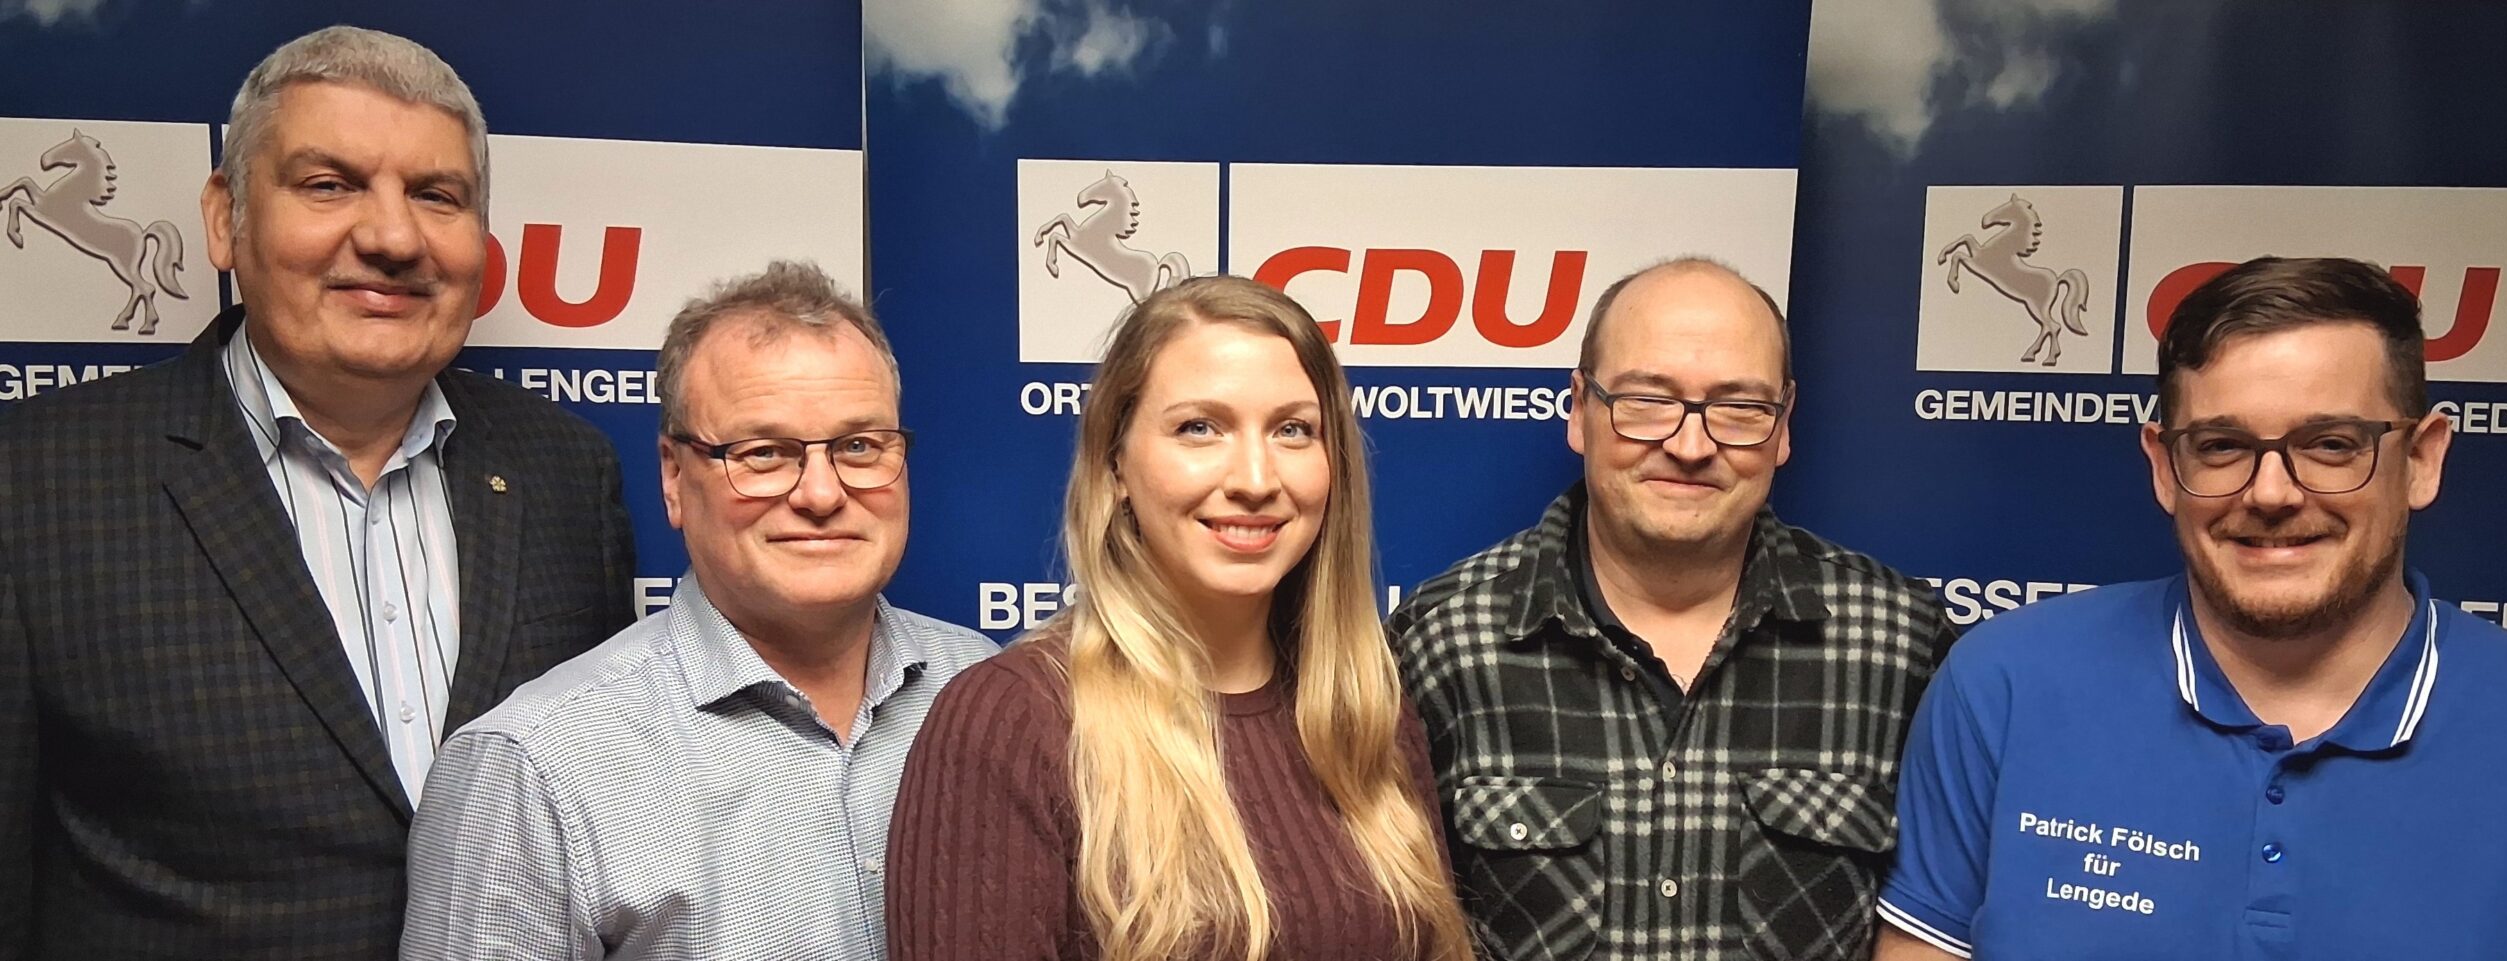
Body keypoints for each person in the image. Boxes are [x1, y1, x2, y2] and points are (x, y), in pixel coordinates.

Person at [0, 25, 636, 958]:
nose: (392, 237)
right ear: (225, 219)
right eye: (329, 184)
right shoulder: (33, 483)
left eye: (437, 195)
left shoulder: (567, 471)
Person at [1874, 256, 2507, 961]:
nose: (2271, 493)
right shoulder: (2005, 686)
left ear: (2421, 460)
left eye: (2330, 444)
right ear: (2166, 466)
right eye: (2223, 446)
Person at [400, 261, 994, 959]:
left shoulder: (991, 689)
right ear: (674, 477)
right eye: (763, 452)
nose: (822, 494)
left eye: (859, 446)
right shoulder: (531, 770)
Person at [887, 276, 1474, 961]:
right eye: (1200, 428)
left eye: (1292, 430)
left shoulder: (1367, 712)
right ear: (1115, 464)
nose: (1255, 479)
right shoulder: (1012, 723)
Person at [1390, 257, 1953, 960]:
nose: (1690, 446)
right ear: (1580, 409)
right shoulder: (1441, 643)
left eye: (1740, 408)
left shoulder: (1902, 646)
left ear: (1783, 426)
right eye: (1647, 401)